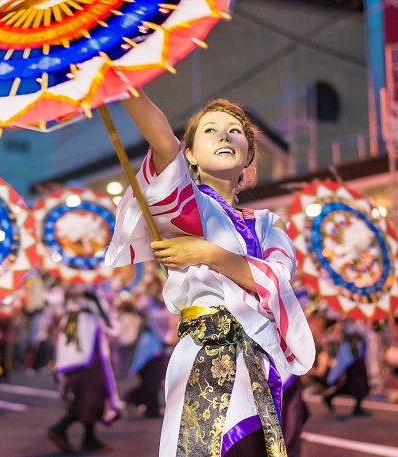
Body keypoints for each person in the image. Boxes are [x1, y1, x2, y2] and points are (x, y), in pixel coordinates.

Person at [105, 89, 315, 456]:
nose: (224, 135)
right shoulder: (189, 207)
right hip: (206, 360)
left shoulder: (269, 223)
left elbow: (278, 279)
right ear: (189, 155)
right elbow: (161, 141)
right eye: (210, 130)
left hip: (266, 361)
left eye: (235, 131)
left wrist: (207, 253)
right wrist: (122, 82)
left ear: (249, 156)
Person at [47, 284, 120, 453]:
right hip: (75, 348)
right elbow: (52, 301)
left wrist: (92, 296)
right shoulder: (62, 280)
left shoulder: (97, 285)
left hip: (93, 343)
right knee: (89, 390)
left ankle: (89, 437)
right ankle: (61, 428)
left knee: (97, 390)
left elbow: (109, 320)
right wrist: (68, 290)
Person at [123, 276, 174, 418]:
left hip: (163, 346)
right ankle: (145, 405)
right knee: (150, 379)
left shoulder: (167, 303)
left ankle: (136, 400)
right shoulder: (146, 302)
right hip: (148, 346)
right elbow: (131, 306)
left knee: (156, 380)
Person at [322, 321, 371, 416]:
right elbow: (349, 336)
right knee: (358, 383)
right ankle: (356, 407)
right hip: (351, 357)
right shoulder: (349, 322)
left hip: (357, 355)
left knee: (354, 383)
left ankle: (331, 396)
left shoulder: (360, 321)